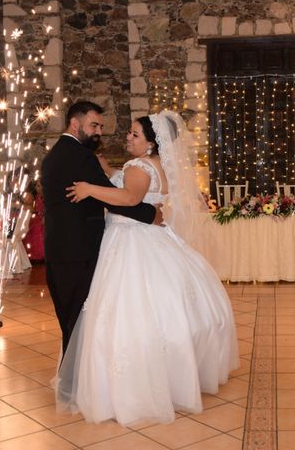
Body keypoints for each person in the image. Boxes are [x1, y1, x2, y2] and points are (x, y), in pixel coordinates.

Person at [56, 111, 239, 426]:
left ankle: (131, 387)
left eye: (135, 134)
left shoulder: (138, 167)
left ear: (152, 143)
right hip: (154, 237)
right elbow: (137, 188)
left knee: (126, 312)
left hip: (129, 241)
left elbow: (129, 197)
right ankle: (173, 377)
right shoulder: (157, 165)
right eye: (129, 132)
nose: (128, 137)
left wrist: (89, 189)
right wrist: (110, 170)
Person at [41, 101, 160, 356]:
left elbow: (105, 192)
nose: (99, 132)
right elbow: (116, 200)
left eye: (101, 126)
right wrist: (153, 214)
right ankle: (74, 382)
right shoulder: (79, 156)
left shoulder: (56, 153)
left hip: (60, 250)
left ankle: (73, 380)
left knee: (71, 321)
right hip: (78, 252)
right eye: (93, 125)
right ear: (75, 124)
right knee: (76, 323)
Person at [21, 179, 45, 262]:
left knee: (39, 227)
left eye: (40, 186)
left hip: (44, 218)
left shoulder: (46, 197)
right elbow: (29, 208)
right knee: (34, 227)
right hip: (37, 217)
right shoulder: (35, 197)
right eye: (37, 186)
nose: (38, 188)